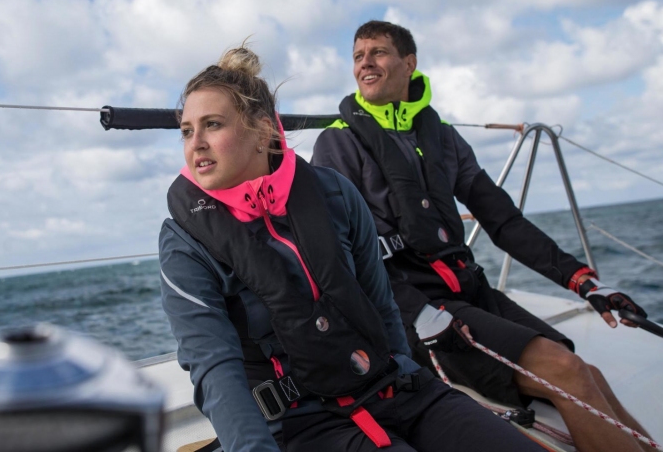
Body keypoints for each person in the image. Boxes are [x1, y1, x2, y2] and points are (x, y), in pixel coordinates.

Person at [158, 45, 546, 451]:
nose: (196, 143)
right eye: (186, 130)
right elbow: (214, 367)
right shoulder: (185, 241)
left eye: (212, 125)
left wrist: (405, 373)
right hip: (303, 423)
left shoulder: (334, 193)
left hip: (393, 387)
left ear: (262, 131)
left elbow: (382, 306)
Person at [312, 20, 653, 452]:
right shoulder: (338, 144)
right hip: (415, 312)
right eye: (358, 56)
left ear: (409, 63)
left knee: (587, 374)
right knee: (566, 372)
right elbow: (338, 253)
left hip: (470, 291)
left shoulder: (442, 137)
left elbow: (503, 220)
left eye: (377, 52)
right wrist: (416, 312)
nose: (365, 63)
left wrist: (583, 281)